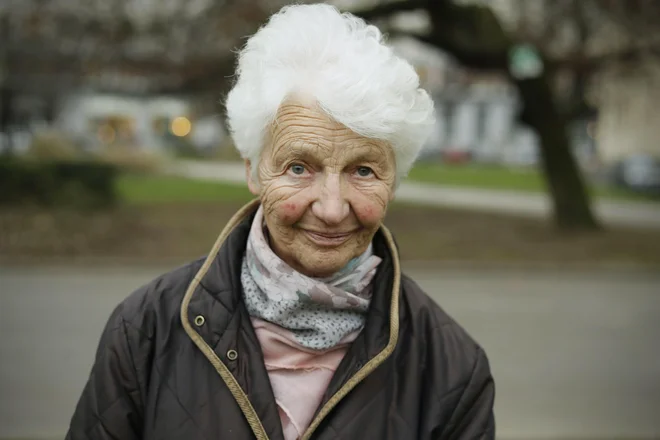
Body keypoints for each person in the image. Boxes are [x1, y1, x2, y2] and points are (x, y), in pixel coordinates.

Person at [66, 4, 495, 439]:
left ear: (394, 182)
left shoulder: (453, 369)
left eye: (363, 171)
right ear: (253, 170)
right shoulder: (146, 329)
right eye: (298, 167)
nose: (331, 209)